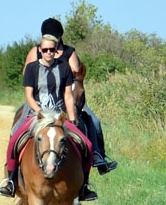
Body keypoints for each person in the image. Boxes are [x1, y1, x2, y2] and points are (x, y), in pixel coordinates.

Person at [0, 33, 98, 201]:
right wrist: (40, 113)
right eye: (45, 50)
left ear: (56, 51)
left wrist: (72, 119)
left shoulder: (64, 68)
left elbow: (68, 95)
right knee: (15, 139)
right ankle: (11, 180)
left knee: (86, 144)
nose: (49, 53)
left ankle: (85, 186)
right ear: (40, 50)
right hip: (36, 115)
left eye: (52, 49)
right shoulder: (32, 69)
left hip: (59, 115)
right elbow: (29, 95)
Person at [21, 18, 117, 175]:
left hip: (66, 99)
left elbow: (75, 75)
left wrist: (58, 65)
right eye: (47, 36)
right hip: (39, 101)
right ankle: (12, 175)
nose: (49, 44)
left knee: (94, 121)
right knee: (18, 128)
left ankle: (98, 156)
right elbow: (27, 74)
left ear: (59, 36)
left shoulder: (69, 52)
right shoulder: (35, 51)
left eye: (53, 36)